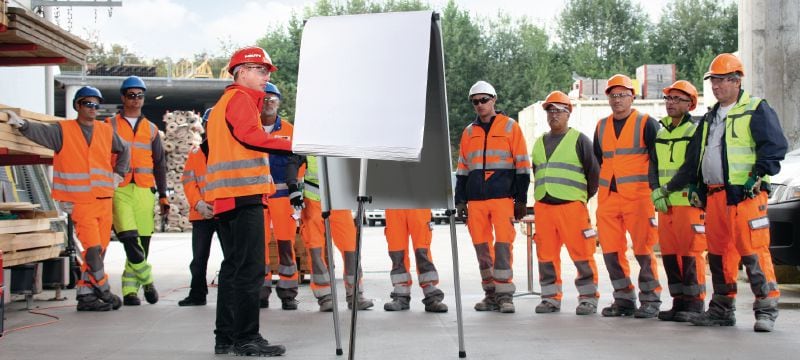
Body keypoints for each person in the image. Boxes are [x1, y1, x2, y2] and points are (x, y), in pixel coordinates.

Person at [662, 53, 787, 332]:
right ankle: (721, 309)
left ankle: (766, 308)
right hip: (715, 197)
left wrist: (757, 174)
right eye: (713, 82)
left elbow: (775, 146)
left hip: (746, 196)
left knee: (753, 251)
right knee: (719, 254)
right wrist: (694, 184)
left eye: (721, 81)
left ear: (736, 81)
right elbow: (695, 157)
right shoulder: (709, 118)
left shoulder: (755, 109)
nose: (716, 87)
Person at [3, 87, 129, 311]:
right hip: (80, 201)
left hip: (104, 198)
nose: (93, 108)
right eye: (88, 104)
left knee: (99, 250)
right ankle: (105, 290)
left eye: (96, 104)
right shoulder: (63, 130)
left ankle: (86, 296)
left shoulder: (105, 130)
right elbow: (40, 132)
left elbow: (124, 149)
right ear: (77, 106)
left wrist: (118, 173)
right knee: (92, 249)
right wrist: (21, 124)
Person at [206, 46, 290, 356]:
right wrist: (294, 143)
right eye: (261, 70)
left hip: (228, 198)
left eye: (267, 71)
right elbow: (251, 137)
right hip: (243, 197)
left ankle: (226, 338)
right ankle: (246, 338)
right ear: (242, 72)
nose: (266, 76)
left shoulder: (226, 102)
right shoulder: (240, 99)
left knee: (233, 269)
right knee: (251, 269)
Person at [455, 80, 531, 314]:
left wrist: (520, 200)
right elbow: (463, 169)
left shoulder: (511, 127)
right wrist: (460, 200)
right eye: (475, 101)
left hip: (502, 199)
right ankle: (490, 295)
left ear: (494, 100)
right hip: (476, 201)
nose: (479, 105)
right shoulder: (469, 132)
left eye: (484, 100)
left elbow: (522, 166)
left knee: (503, 247)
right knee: (481, 248)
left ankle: (505, 295)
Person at [593, 74, 662, 318]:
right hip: (609, 199)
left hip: (638, 197)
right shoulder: (601, 126)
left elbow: (657, 159)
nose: (617, 100)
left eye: (622, 95)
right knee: (611, 251)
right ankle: (623, 299)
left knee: (643, 250)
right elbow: (600, 159)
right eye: (613, 95)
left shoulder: (647, 123)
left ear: (633, 96)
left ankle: (651, 299)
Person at [530, 91, 600, 315]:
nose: (554, 115)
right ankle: (550, 298)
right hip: (544, 207)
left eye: (559, 110)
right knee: (546, 256)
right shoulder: (539, 142)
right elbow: (537, 172)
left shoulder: (580, 140)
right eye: (550, 111)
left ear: (568, 113)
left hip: (572, 208)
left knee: (582, 253)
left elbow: (594, 174)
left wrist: (581, 197)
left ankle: (588, 298)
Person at [105, 75, 167, 306]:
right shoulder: (109, 125)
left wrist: (162, 195)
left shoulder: (151, 129)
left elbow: (160, 163)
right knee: (129, 238)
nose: (136, 99)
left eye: (140, 95)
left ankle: (131, 290)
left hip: (144, 188)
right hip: (119, 187)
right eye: (131, 95)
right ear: (123, 97)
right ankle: (148, 280)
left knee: (142, 241)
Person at [648, 80, 707, 322]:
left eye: (677, 99)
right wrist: (654, 189)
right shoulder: (661, 132)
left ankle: (695, 304)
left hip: (687, 203)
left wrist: (665, 189)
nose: (671, 103)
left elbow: (691, 167)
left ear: (690, 104)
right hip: (666, 205)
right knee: (671, 254)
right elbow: (653, 164)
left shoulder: (695, 130)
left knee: (690, 253)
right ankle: (678, 301)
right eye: (669, 99)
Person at [297, 155, 374, 312]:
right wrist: (294, 191)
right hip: (313, 203)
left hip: (338, 202)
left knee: (351, 248)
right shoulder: (305, 147)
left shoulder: (338, 144)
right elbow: (293, 169)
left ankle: (355, 296)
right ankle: (325, 297)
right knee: (315, 249)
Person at [258, 82, 301, 311]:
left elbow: (299, 162)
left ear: (279, 103)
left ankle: (288, 293)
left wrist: (296, 191)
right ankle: (260, 292)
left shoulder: (290, 130)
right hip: (258, 197)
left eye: (272, 99)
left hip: (284, 197)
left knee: (286, 244)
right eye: (264, 99)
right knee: (260, 246)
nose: (268, 103)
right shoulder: (250, 129)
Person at [178, 108, 218, 307]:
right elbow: (188, 181)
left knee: (232, 257)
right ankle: (197, 294)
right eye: (209, 124)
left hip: (225, 211)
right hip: (202, 213)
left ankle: (232, 294)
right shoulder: (195, 153)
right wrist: (199, 203)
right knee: (199, 258)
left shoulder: (228, 152)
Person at [382, 208, 448, 313]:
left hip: (418, 200)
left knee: (422, 249)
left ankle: (431, 293)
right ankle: (401, 294)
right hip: (394, 201)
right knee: (397, 250)